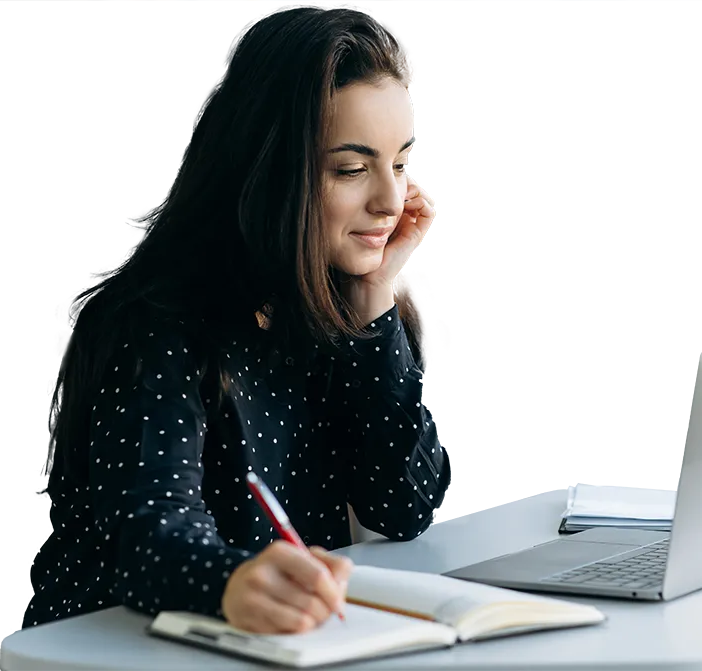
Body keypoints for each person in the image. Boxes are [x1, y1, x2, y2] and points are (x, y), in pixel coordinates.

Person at [23, 2, 454, 635]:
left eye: (400, 164)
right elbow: (147, 536)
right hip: (115, 649)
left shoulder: (339, 304)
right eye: (351, 169)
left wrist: (376, 295)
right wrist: (231, 582)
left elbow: (406, 508)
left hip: (272, 644)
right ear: (267, 167)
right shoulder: (154, 320)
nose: (391, 200)